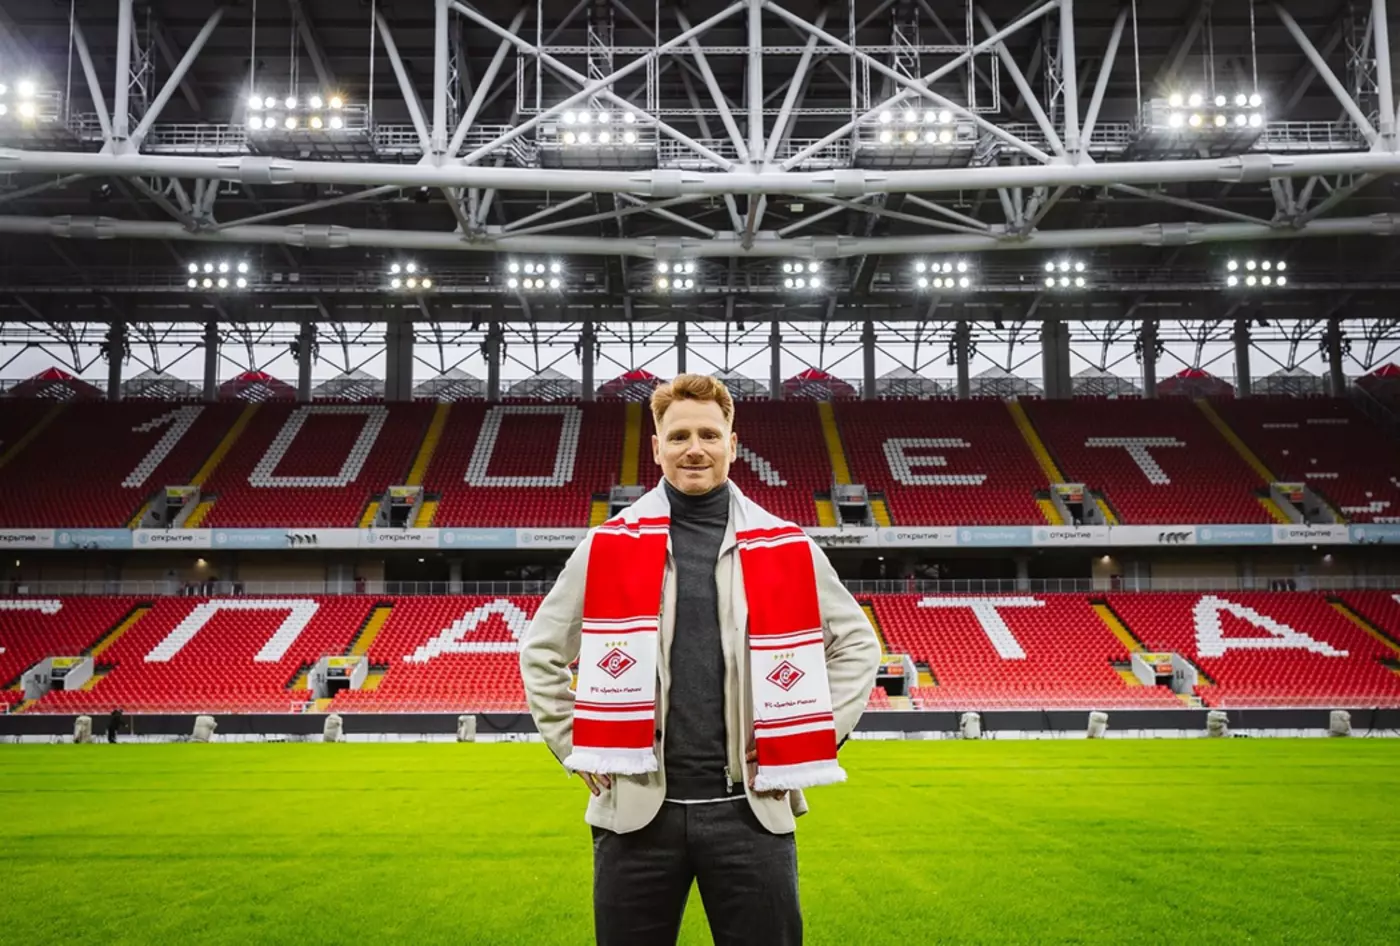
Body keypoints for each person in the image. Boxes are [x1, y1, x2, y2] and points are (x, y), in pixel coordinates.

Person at [521, 373, 880, 946]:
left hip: (751, 811)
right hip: (636, 813)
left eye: (709, 435)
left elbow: (858, 644)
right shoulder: (607, 545)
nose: (695, 449)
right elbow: (541, 649)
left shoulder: (787, 545)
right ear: (656, 446)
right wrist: (572, 744)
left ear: (732, 445)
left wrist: (812, 737)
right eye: (679, 435)